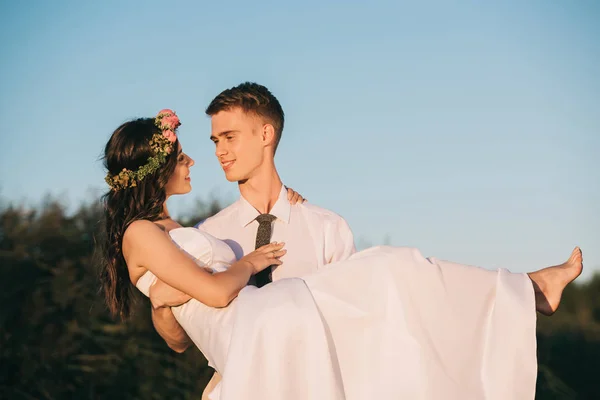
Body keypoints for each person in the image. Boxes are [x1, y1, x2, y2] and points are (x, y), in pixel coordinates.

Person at [100, 110, 583, 400]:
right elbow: (203, 307)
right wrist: (246, 264)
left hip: (271, 331)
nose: (196, 160)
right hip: (260, 334)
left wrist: (171, 291)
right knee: (392, 272)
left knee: (391, 279)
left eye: (226, 139)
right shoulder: (151, 232)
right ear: (155, 167)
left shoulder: (178, 231)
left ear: (265, 135)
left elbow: (187, 294)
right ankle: (528, 289)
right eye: (184, 155)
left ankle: (525, 290)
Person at [148, 83, 357, 399]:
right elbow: (179, 342)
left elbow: (351, 327)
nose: (219, 151)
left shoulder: (326, 228)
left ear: (265, 135)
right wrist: (160, 306)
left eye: (230, 137)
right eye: (216, 140)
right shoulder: (207, 235)